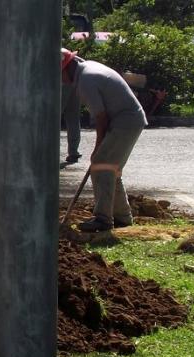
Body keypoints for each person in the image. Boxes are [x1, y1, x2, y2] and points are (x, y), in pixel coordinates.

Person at [61, 48, 147, 232]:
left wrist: (98, 147)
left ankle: (103, 219)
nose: (60, 80)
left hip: (125, 121)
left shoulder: (86, 81)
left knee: (101, 166)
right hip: (129, 120)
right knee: (111, 169)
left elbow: (101, 117)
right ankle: (122, 217)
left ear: (65, 68)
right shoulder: (87, 70)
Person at [61, 81, 82, 163]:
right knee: (73, 118)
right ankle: (73, 152)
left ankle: (44, 151)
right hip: (75, 80)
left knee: (52, 117)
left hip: (62, 79)